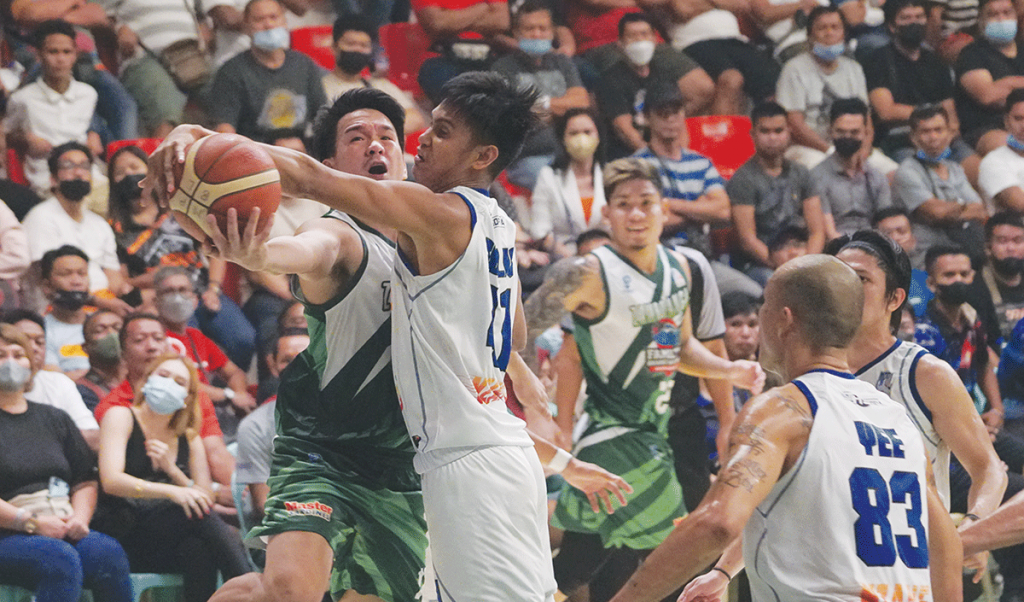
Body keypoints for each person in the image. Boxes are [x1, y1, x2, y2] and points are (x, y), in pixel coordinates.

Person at [151, 71, 632, 602]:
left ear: (481, 156)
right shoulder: (491, 224)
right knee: (291, 589)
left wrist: (200, 136)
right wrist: (258, 254)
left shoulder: (436, 215)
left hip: (443, 463)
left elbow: (309, 179)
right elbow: (503, 335)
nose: (419, 138)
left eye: (441, 132)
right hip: (360, 449)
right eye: (358, 138)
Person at [604, 254, 963, 602]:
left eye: (762, 311)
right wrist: (724, 571)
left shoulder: (782, 409)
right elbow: (944, 538)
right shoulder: (895, 418)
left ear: (784, 320)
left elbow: (717, 523)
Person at [523, 158, 765, 601]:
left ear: (663, 210)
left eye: (646, 203)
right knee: (671, 559)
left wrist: (730, 370)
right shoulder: (587, 272)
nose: (636, 214)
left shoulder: (680, 270)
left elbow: (684, 349)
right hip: (611, 436)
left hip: (653, 434)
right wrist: (529, 395)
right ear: (607, 214)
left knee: (581, 564)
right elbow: (518, 328)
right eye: (624, 205)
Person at [95, 352, 251, 602]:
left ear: (188, 397)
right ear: (145, 381)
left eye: (179, 382)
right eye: (163, 375)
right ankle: (253, 591)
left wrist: (173, 471)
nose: (169, 384)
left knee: (198, 549)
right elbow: (111, 481)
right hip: (124, 525)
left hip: (170, 534)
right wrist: (171, 491)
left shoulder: (189, 437)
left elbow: (202, 496)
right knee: (196, 514)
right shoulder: (121, 416)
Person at [0, 324, 133, 602]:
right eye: (1, 355)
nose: (10, 362)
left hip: (60, 521)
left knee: (107, 553)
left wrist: (79, 520)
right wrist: (31, 523)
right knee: (59, 559)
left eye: (17, 354)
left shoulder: (54, 418)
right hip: (9, 529)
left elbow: (84, 479)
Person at [107, 144, 256, 371]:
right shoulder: (114, 229)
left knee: (243, 339)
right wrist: (157, 278)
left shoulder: (179, 210)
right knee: (186, 351)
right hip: (162, 299)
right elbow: (124, 282)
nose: (129, 175)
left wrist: (214, 289)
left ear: (150, 171)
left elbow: (216, 249)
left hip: (202, 291)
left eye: (134, 167)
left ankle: (233, 390)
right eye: (120, 172)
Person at [94, 313, 236, 508]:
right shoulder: (113, 407)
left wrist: (235, 492)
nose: (151, 346)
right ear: (123, 352)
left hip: (191, 496)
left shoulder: (196, 399)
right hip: (139, 503)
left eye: (158, 339)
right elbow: (116, 477)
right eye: (139, 340)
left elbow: (214, 450)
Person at [492, 0, 589, 190]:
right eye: (529, 29)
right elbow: (517, 117)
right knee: (557, 188)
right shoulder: (503, 68)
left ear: (552, 32)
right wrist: (562, 110)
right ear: (516, 33)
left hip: (572, 154)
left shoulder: (563, 62)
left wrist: (541, 104)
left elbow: (581, 102)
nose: (537, 34)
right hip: (528, 159)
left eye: (542, 28)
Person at [729, 101, 826, 285]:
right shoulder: (743, 179)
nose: (772, 138)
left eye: (778, 131)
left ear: (789, 132)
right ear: (753, 135)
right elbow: (747, 240)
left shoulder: (802, 173)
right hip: (761, 265)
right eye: (765, 131)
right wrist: (784, 268)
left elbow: (817, 232)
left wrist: (807, 264)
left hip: (801, 257)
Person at [152, 266, 256, 439]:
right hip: (179, 416)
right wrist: (229, 395)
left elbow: (234, 372)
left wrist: (239, 394)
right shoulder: (155, 338)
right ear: (156, 302)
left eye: (183, 290)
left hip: (209, 413)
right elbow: (180, 384)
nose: (177, 298)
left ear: (194, 300)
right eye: (169, 291)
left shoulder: (195, 336)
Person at [594, 13, 713, 159]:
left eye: (644, 34)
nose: (639, 40)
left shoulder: (664, 74)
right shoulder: (611, 79)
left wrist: (680, 156)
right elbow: (624, 130)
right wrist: (657, 159)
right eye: (632, 36)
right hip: (628, 156)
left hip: (665, 152)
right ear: (620, 43)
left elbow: (678, 121)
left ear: (655, 40)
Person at [21, 142, 126, 308]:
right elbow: (50, 279)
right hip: (60, 307)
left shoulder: (99, 224)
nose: (78, 173)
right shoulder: (40, 218)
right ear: (53, 179)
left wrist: (120, 298)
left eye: (85, 167)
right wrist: (102, 303)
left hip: (104, 304)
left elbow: (113, 275)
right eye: (69, 166)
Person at [3, 19, 100, 196]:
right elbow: (7, 134)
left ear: (75, 55)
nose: (60, 59)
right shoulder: (22, 99)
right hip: (46, 180)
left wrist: (94, 134)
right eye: (53, 51)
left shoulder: (88, 94)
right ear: (39, 55)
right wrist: (25, 140)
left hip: (88, 175)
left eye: (66, 52)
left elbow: (90, 128)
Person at [863, 0, 967, 163]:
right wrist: (931, 115)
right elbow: (886, 111)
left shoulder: (936, 61)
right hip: (901, 141)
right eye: (906, 18)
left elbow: (951, 114)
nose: (914, 23)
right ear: (892, 26)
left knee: (974, 163)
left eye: (919, 17)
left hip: (942, 139)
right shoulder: (878, 60)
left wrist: (947, 135)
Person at [915, 245, 1005, 433]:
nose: (959, 281)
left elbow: (984, 365)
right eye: (949, 275)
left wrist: (997, 410)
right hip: (939, 426)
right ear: (931, 283)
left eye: (964, 274)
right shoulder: (923, 330)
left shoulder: (971, 317)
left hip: (974, 418)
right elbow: (929, 392)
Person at [210, 0, 328, 144]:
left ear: (285, 22)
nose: (268, 25)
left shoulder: (304, 65)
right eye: (259, 20)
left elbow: (324, 120)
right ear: (246, 27)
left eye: (274, 17)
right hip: (253, 155)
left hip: (300, 152)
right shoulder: (231, 72)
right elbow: (224, 132)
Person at [642, 0, 781, 115]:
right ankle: (723, 143)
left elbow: (741, 5)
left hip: (736, 40)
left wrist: (699, 4)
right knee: (731, 78)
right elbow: (682, 10)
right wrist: (718, 3)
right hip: (694, 41)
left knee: (775, 83)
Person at [893, 104, 987, 265]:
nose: (933, 137)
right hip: (925, 257)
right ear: (914, 137)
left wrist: (951, 210)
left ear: (949, 134)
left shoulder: (955, 168)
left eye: (938, 130)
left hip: (961, 250)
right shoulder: (907, 171)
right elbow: (936, 212)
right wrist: (963, 207)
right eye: (925, 131)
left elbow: (980, 211)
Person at [776, 6, 869, 169]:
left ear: (844, 33)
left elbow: (866, 119)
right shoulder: (794, 69)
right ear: (809, 35)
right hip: (808, 148)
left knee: (890, 174)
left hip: (851, 145)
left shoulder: (854, 68)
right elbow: (794, 124)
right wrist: (831, 151)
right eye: (822, 28)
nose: (829, 33)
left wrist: (864, 150)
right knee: (829, 175)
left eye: (835, 27)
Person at [234, 328, 309, 522]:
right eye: (287, 360)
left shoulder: (353, 416)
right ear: (273, 366)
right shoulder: (255, 427)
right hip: (292, 529)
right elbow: (266, 505)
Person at [3, 309, 100, 449]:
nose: (33, 348)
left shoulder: (60, 383)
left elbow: (92, 437)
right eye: (24, 340)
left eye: (40, 342)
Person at [320, 13, 426, 133]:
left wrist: (374, 131)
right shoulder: (320, 87)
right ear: (334, 47)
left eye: (364, 45)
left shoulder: (380, 85)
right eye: (350, 44)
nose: (357, 50)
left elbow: (415, 119)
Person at [530, 108, 607, 259]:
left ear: (598, 136)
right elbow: (540, 231)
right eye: (573, 133)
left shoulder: (610, 175)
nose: (581, 139)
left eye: (587, 132)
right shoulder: (549, 177)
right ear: (563, 139)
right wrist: (573, 260)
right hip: (564, 259)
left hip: (607, 257)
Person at [809, 98, 892, 239]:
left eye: (854, 132)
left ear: (865, 132)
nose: (847, 137)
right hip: (837, 248)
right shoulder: (816, 177)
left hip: (874, 245)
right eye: (841, 132)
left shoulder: (876, 177)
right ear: (830, 131)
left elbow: (887, 223)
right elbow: (829, 234)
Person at [954, 0, 1024, 154]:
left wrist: (1008, 84)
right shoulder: (971, 54)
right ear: (981, 20)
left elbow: (1001, 94)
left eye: (1007, 12)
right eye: (993, 14)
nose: (1001, 19)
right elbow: (988, 96)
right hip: (986, 128)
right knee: (1010, 149)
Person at [872, 206, 933, 313]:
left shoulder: (931, 269)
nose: (895, 238)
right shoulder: (872, 275)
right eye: (887, 233)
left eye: (902, 231)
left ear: (913, 237)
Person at [978, 88, 1024, 213]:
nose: (1023, 126)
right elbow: (1019, 204)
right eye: (1018, 118)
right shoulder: (993, 162)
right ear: (1006, 121)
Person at [75, 309, 125, 411]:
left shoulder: (142, 380)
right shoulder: (82, 390)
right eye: (100, 330)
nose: (111, 334)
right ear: (86, 347)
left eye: (118, 328)